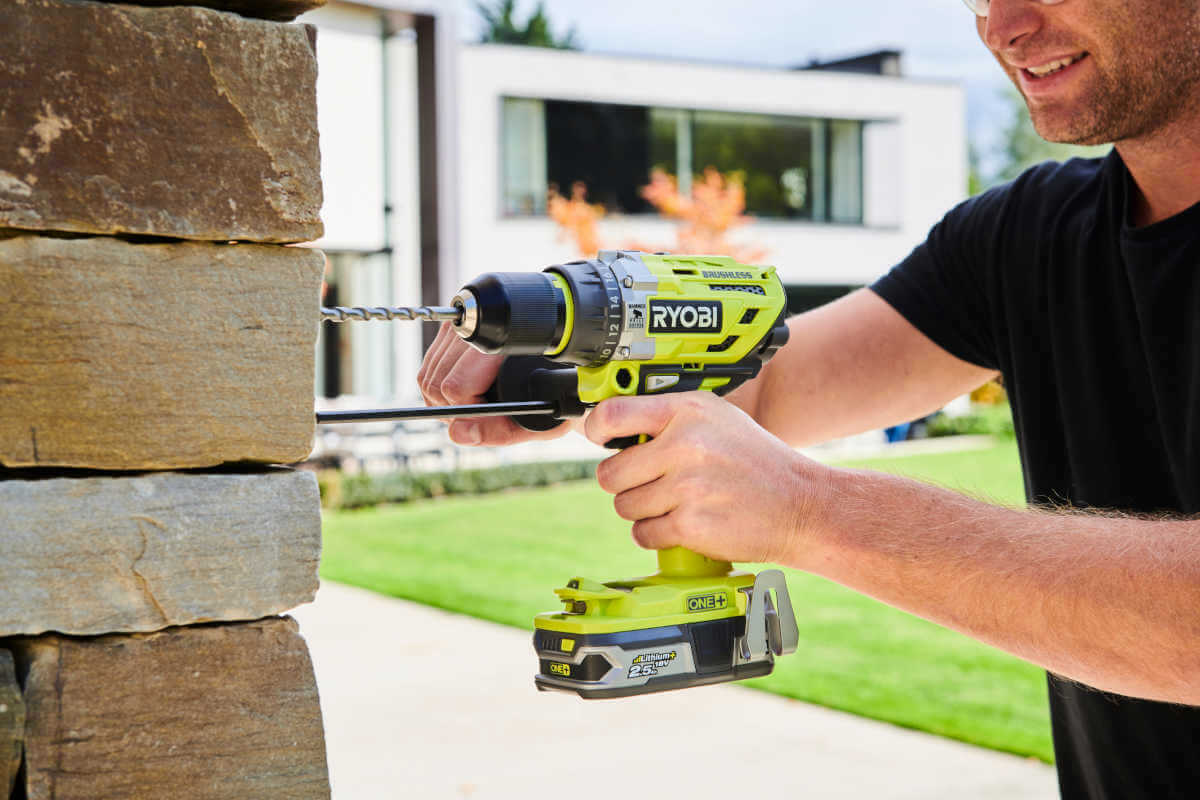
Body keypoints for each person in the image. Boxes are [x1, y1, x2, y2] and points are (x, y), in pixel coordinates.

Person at [418, 0, 1200, 796]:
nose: (1003, 26)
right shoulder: (1027, 236)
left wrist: (809, 511)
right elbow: (767, 385)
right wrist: (567, 351)